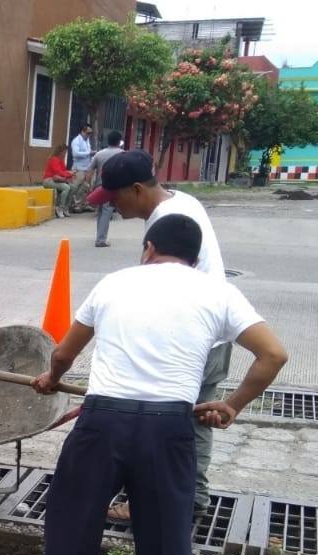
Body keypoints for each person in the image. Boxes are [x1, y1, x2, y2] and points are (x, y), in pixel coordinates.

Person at [27, 214, 288, 555]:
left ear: (148, 248)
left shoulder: (114, 282)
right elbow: (274, 355)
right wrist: (231, 406)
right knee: (165, 530)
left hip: (103, 421)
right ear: (195, 257)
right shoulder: (219, 292)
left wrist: (52, 379)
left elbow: (64, 352)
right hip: (168, 428)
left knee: (73, 518)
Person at [86, 149, 228, 521]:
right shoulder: (182, 201)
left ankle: (153, 501)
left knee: (160, 422)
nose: (113, 207)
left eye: (115, 198)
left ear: (136, 189)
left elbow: (146, 291)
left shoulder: (167, 222)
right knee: (193, 419)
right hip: (211, 335)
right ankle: (193, 497)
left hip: (187, 339)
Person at [88, 131, 124, 247]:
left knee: (101, 212)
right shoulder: (122, 154)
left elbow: (89, 171)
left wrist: (89, 186)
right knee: (106, 212)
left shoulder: (99, 154)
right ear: (119, 142)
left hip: (99, 186)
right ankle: (100, 239)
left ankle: (100, 236)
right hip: (112, 187)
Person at [42, 145, 75, 218]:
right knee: (66, 187)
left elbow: (63, 171)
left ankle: (66, 208)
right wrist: (69, 174)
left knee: (73, 187)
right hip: (48, 180)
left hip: (57, 180)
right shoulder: (54, 159)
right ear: (60, 152)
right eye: (64, 152)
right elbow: (58, 172)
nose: (65, 154)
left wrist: (70, 175)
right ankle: (60, 208)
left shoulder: (61, 160)